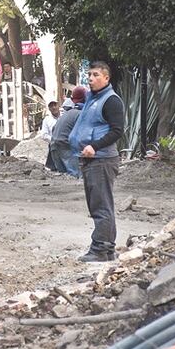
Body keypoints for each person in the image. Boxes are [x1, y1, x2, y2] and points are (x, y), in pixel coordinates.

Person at [68, 62, 125, 263]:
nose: (91, 78)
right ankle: (107, 249)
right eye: (89, 74)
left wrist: (95, 146)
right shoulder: (93, 98)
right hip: (91, 159)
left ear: (106, 78)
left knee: (101, 206)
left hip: (101, 160)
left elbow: (117, 131)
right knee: (100, 204)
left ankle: (100, 249)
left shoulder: (111, 101)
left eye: (96, 75)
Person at [50, 86, 87, 178]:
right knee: (76, 177)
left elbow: (54, 129)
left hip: (54, 147)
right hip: (66, 147)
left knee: (64, 178)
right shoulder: (81, 114)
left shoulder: (67, 114)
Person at [40, 101, 60, 170]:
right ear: (49, 108)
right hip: (53, 145)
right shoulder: (47, 120)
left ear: (58, 105)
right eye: (51, 106)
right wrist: (54, 140)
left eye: (55, 105)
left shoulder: (65, 116)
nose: (54, 107)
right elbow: (44, 135)